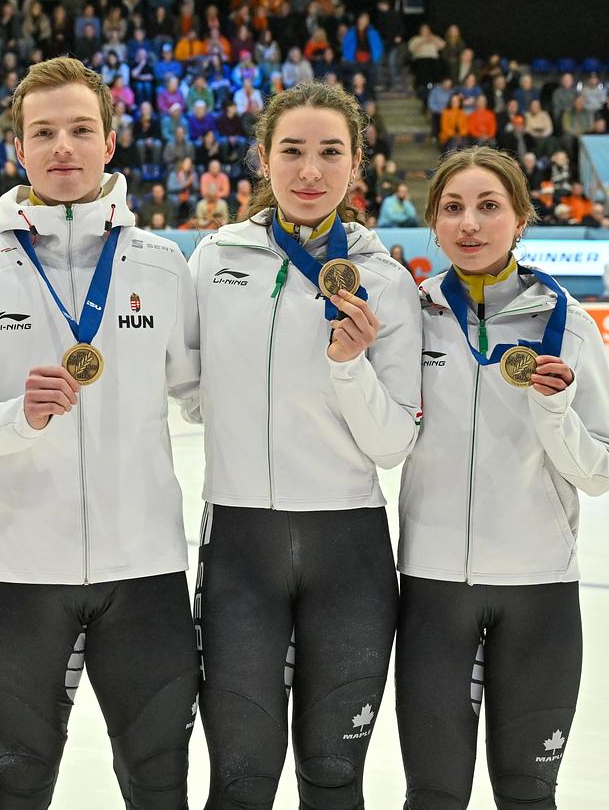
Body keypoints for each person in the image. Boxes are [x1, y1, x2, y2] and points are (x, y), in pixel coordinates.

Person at [0, 56, 201, 809]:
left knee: (159, 786)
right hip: (24, 575)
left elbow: (209, 396)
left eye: (81, 130)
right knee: (18, 787)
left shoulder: (162, 266)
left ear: (109, 143)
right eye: (43, 133)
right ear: (18, 148)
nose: (63, 148)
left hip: (145, 571)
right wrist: (20, 416)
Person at [187, 81, 421, 809]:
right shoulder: (214, 260)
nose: (310, 171)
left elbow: (392, 444)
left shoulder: (386, 281)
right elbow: (189, 388)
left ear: (357, 164)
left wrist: (349, 366)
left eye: (330, 153)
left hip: (348, 551)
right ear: (263, 159)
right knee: (240, 782)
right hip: (240, 549)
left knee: (333, 778)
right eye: (291, 151)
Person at [397, 145, 609, 809]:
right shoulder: (410, 316)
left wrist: (554, 415)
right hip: (434, 589)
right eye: (452, 208)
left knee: (528, 796)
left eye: (489, 206)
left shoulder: (569, 325)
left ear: (520, 219)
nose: (469, 223)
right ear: (434, 222)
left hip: (539, 590)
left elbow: (602, 471)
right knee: (433, 796)